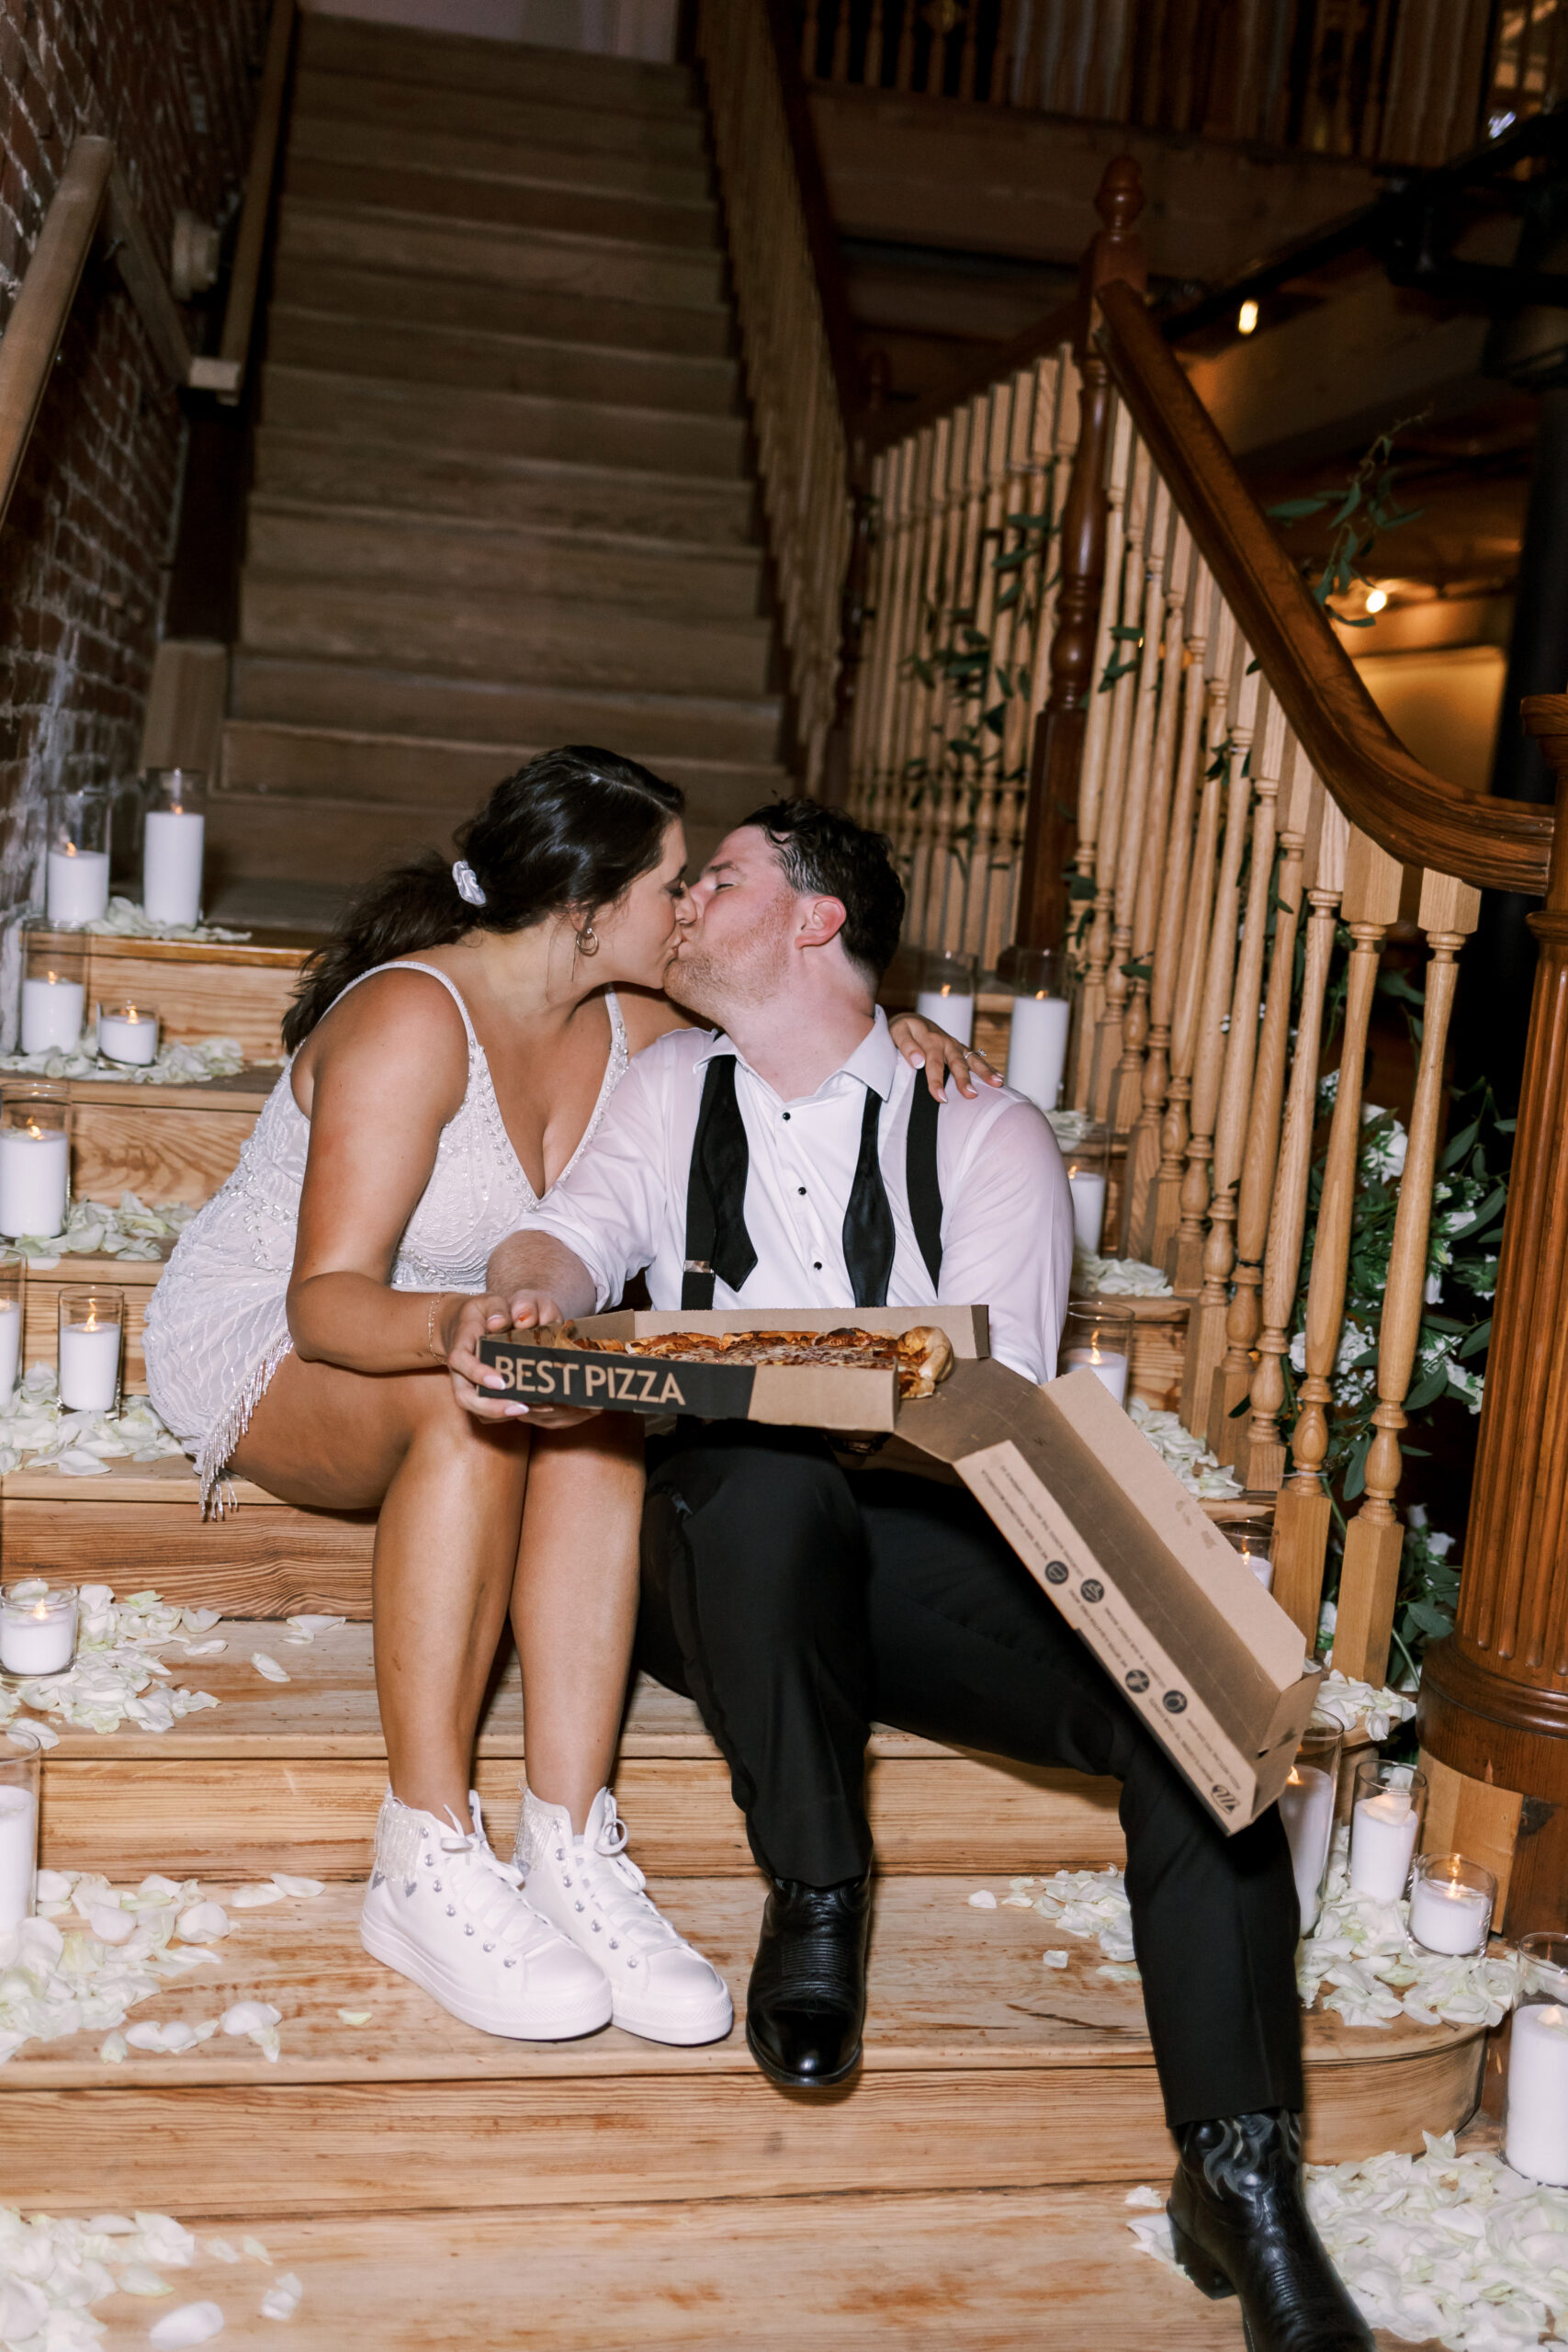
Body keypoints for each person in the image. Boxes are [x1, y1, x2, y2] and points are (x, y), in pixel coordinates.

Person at [449, 798, 1374, 2352]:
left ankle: (1243, 2174)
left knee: (1192, 1724)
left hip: (917, 1553)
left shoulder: (990, 1135)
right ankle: (818, 1885)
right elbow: (572, 1236)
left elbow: (979, 1422)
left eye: (721, 881)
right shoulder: (668, 1088)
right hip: (718, 1565)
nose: (685, 906)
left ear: (813, 921)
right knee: (754, 1481)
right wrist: (525, 1302)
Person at [143, 752, 986, 2056]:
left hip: (470, 1339)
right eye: (672, 885)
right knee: (471, 1405)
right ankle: (422, 1850)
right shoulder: (411, 1019)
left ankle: (570, 1842)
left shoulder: (635, 1030)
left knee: (591, 1403)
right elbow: (326, 1300)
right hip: (296, 1330)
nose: (692, 909)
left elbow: (803, 1042)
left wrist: (901, 1033)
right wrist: (454, 1334)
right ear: (590, 906)